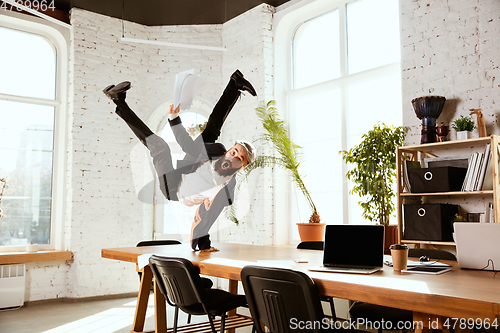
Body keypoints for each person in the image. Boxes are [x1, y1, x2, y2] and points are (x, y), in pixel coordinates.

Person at [103, 70, 256, 252]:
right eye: (234, 151)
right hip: (185, 172)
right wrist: (174, 118)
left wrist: (203, 243)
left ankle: (120, 103)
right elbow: (188, 147)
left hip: (174, 189)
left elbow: (210, 215)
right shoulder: (217, 152)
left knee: (160, 148)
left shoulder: (229, 186)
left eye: (239, 158)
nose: (233, 157)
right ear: (230, 149)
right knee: (210, 133)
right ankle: (234, 84)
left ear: (244, 165)